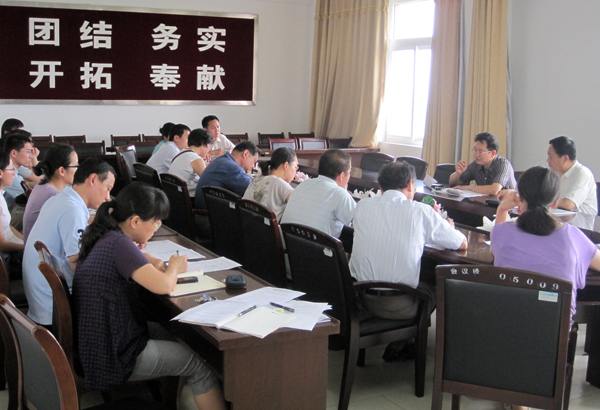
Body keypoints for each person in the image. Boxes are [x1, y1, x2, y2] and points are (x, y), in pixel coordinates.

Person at [72, 183, 226, 410]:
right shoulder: (120, 244)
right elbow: (164, 285)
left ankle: (177, 399)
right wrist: (174, 267)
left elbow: (132, 260)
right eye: (156, 221)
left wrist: (147, 258)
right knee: (200, 364)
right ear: (135, 221)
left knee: (179, 334)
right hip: (113, 353)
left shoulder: (107, 234)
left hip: (104, 337)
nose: (158, 227)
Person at [350, 161, 466, 321]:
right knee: (435, 287)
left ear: (381, 187)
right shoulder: (420, 211)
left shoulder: (362, 205)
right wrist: (448, 228)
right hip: (398, 305)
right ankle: (407, 336)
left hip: (359, 298)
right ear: (411, 184)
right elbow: (461, 243)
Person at [491, 166, 600, 320]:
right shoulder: (573, 236)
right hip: (555, 333)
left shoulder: (501, 232)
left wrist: (502, 210)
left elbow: (494, 251)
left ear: (519, 198)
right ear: (554, 202)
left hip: (505, 327)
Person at [23, 158, 115, 326]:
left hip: (41, 303)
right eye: (107, 189)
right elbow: (78, 265)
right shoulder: (72, 210)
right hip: (54, 310)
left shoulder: (60, 199)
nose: (108, 197)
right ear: (93, 179)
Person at [281, 149, 355, 238]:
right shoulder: (340, 195)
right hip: (316, 246)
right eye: (349, 172)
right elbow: (360, 223)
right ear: (342, 175)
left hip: (288, 243)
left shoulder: (303, 184)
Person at [22, 144, 78, 243]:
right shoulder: (53, 196)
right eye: (76, 166)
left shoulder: (44, 183)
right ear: (61, 171)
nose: (78, 170)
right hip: (40, 250)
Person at [195, 141, 260, 209]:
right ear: (246, 154)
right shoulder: (232, 167)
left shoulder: (222, 161)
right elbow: (253, 190)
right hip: (210, 213)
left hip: (205, 210)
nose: (253, 166)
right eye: (254, 161)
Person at [449, 132, 516, 195]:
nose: (476, 155)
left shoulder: (503, 164)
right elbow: (453, 183)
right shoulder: (476, 165)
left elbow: (495, 190)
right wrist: (458, 174)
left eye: (480, 152)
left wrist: (469, 188)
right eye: (475, 150)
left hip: (508, 202)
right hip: (486, 201)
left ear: (492, 153)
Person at [546, 136, 597, 216]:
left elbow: (569, 204)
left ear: (565, 159)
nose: (547, 160)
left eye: (551, 156)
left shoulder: (583, 173)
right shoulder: (555, 173)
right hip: (560, 220)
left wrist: (543, 202)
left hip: (582, 222)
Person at [243, 147, 297, 221]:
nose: (295, 172)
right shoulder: (279, 184)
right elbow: (299, 206)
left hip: (247, 225)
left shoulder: (258, 178)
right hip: (264, 227)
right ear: (286, 165)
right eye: (295, 167)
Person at [3, 131, 40, 230]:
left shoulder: (15, 170)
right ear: (14, 153)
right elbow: (28, 197)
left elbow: (30, 183)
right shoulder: (9, 173)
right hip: (10, 215)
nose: (31, 156)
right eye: (28, 152)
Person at [167, 128, 213, 197]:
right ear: (203, 144)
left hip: (174, 195)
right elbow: (208, 180)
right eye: (209, 146)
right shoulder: (195, 159)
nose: (208, 150)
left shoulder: (181, 153)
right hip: (188, 197)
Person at [0, 151, 24, 273]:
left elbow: (8, 227)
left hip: (13, 249)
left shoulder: (1, 194)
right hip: (6, 261)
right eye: (11, 169)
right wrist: (27, 247)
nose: (14, 173)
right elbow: (2, 245)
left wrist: (26, 240)